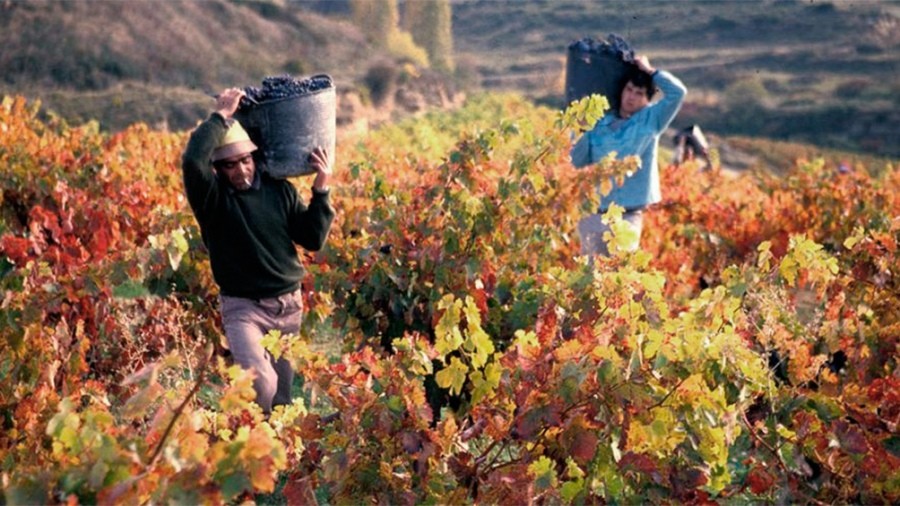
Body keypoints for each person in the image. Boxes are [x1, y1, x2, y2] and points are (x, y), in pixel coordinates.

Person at [181, 87, 335, 414]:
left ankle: (276, 457)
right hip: (244, 309)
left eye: (246, 160)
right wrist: (221, 116)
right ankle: (246, 442)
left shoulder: (280, 191)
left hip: (289, 306)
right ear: (217, 169)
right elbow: (193, 161)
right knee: (260, 382)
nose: (240, 171)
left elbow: (311, 239)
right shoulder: (212, 201)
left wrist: (321, 190)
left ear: (255, 158)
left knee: (282, 399)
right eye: (229, 165)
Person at [570, 55, 686, 257]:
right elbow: (577, 161)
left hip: (629, 214)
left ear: (648, 99)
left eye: (639, 93)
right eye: (629, 90)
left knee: (620, 274)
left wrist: (651, 71)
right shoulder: (599, 123)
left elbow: (678, 93)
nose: (631, 97)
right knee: (590, 278)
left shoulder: (651, 119)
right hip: (593, 215)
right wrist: (578, 131)